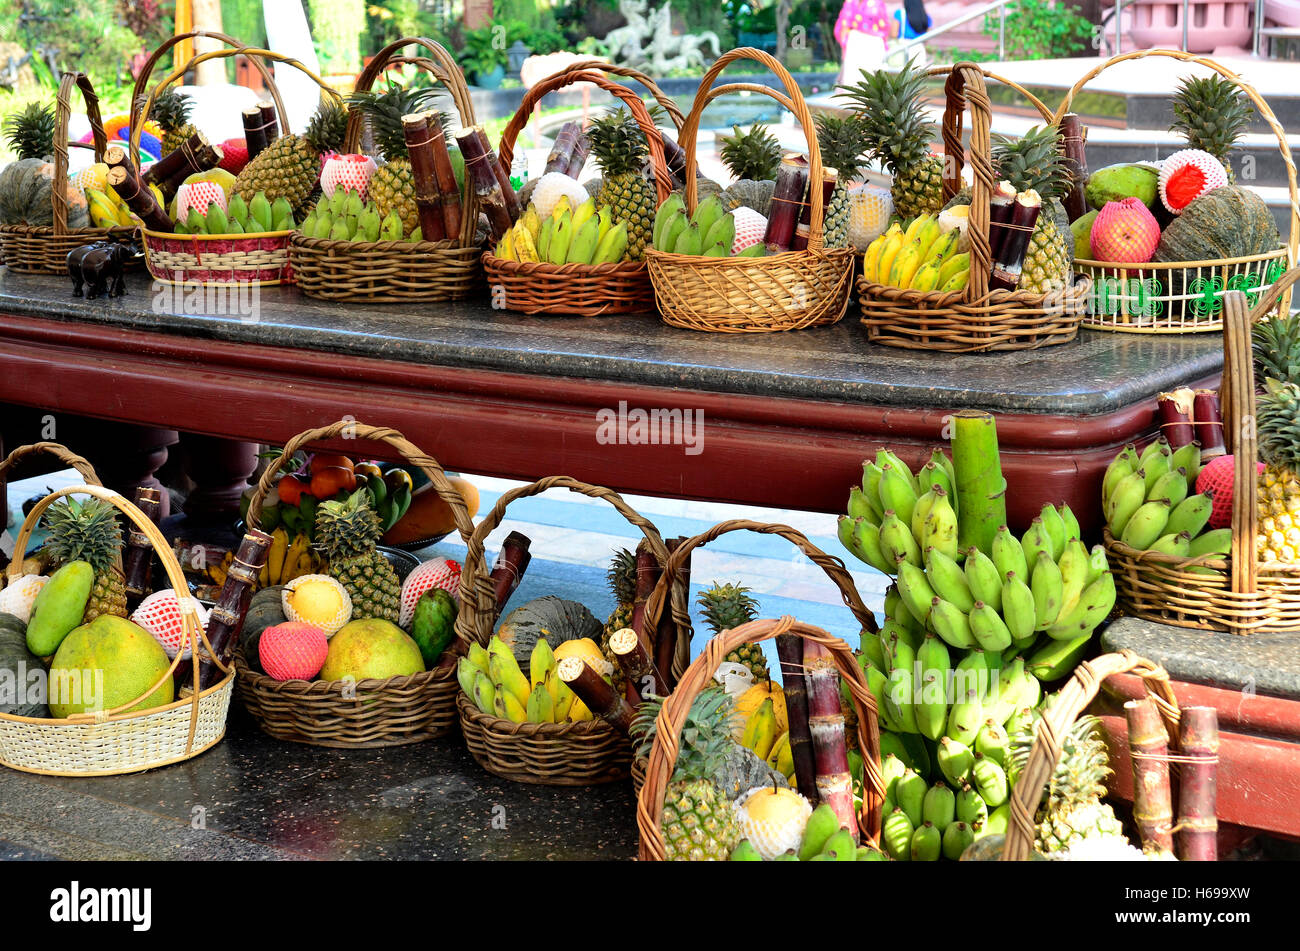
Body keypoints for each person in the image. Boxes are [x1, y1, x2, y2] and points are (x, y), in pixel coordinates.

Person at [835, 0, 892, 82]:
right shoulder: (850, 3)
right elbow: (844, 26)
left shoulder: (877, 3)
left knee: (872, 80)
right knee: (854, 80)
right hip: (855, 43)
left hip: (872, 44)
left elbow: (884, 27)